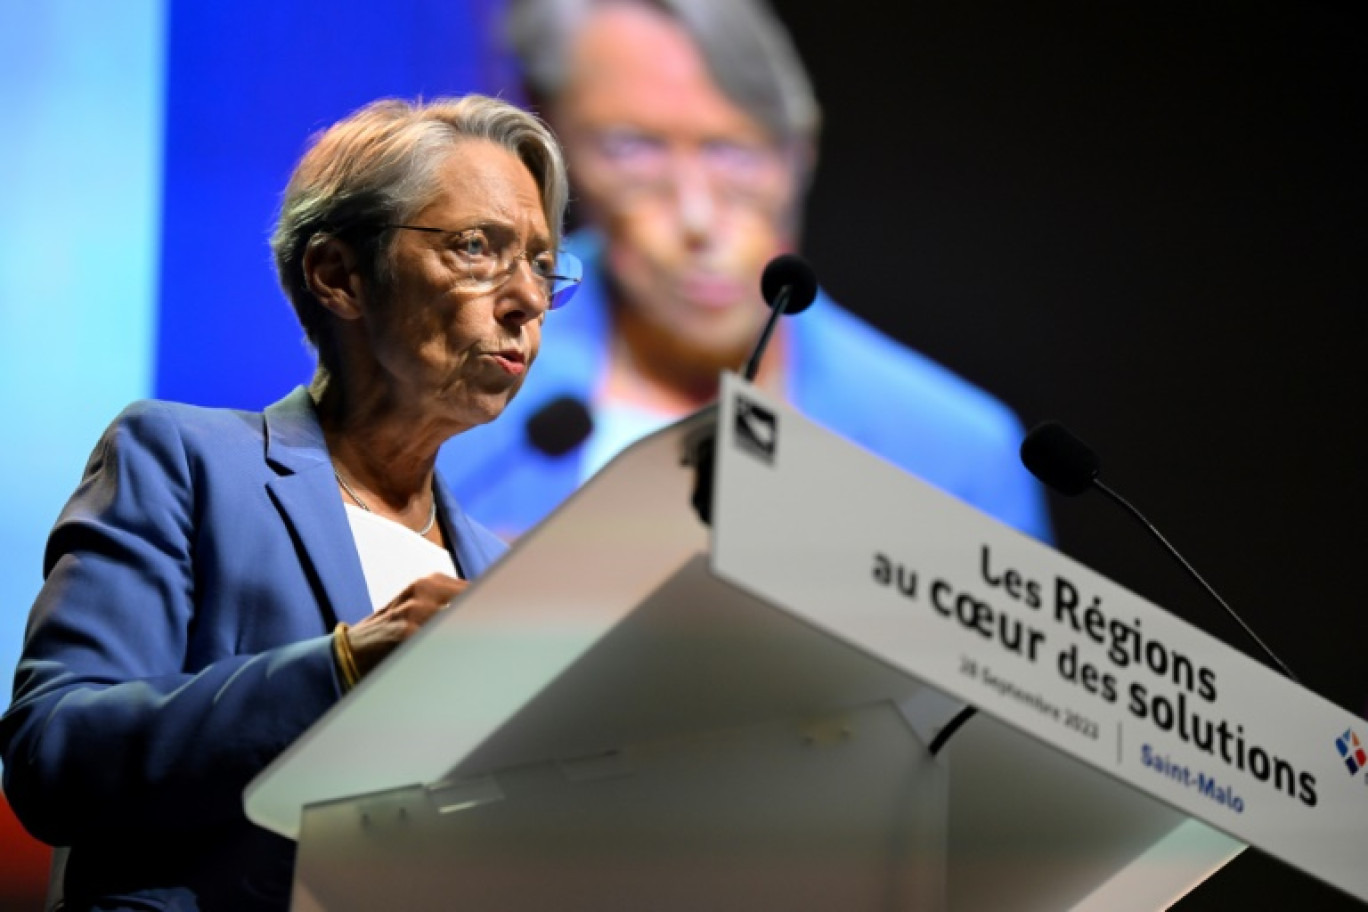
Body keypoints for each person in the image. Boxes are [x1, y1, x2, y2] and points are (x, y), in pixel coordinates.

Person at [0, 95, 577, 911]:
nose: (524, 298)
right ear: (338, 275)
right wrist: (341, 669)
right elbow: (53, 755)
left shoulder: (501, 572)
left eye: (544, 265)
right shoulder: (184, 462)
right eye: (478, 248)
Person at [436, 0, 1051, 541]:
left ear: (797, 156)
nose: (697, 214)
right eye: (634, 148)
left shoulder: (957, 452)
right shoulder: (434, 385)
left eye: (735, 152)